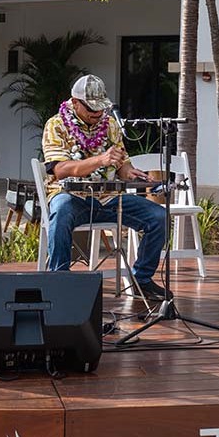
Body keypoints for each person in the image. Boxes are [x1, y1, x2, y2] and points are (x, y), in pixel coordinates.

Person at [41, 74, 169, 301]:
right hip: (71, 196)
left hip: (109, 197)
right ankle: (59, 280)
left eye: (101, 108)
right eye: (92, 108)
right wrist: (100, 160)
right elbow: (60, 169)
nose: (97, 113)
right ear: (75, 102)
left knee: (159, 216)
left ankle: (142, 280)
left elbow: (121, 162)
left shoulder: (110, 124)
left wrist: (130, 172)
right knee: (60, 212)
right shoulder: (56, 125)